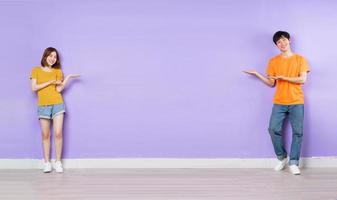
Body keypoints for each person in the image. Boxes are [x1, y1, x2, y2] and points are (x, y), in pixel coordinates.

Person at [243, 31, 310, 175]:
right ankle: (282, 158)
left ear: (289, 41)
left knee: (298, 132)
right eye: (279, 42)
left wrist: (284, 77)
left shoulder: (300, 59)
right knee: (273, 129)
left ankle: (293, 163)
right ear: (276, 45)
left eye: (284, 40)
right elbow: (271, 83)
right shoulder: (273, 61)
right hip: (279, 101)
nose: (282, 44)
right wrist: (257, 74)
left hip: (297, 101)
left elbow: (303, 79)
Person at [30, 47, 80, 173]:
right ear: (45, 56)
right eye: (50, 56)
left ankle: (58, 162)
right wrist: (49, 82)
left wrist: (67, 78)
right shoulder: (35, 70)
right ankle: (47, 162)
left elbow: (58, 90)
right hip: (43, 106)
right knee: (45, 135)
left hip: (58, 104)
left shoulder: (58, 71)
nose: (53, 58)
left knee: (58, 133)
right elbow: (34, 88)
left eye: (55, 57)